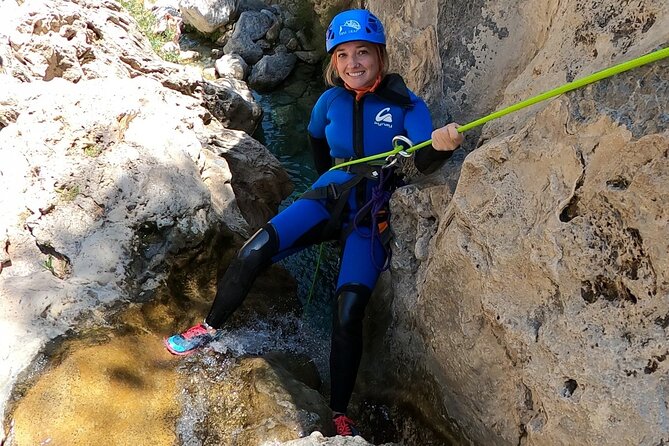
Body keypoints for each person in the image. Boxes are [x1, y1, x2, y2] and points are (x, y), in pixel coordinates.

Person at [165, 9, 464, 437]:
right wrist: (327, 179)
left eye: (362, 52)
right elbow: (316, 141)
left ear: (380, 56)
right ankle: (208, 329)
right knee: (255, 249)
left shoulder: (408, 106)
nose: (352, 63)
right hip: (328, 196)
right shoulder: (329, 101)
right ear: (333, 62)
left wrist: (443, 148)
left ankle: (339, 412)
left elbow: (420, 160)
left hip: (370, 211)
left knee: (347, 311)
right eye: (342, 55)